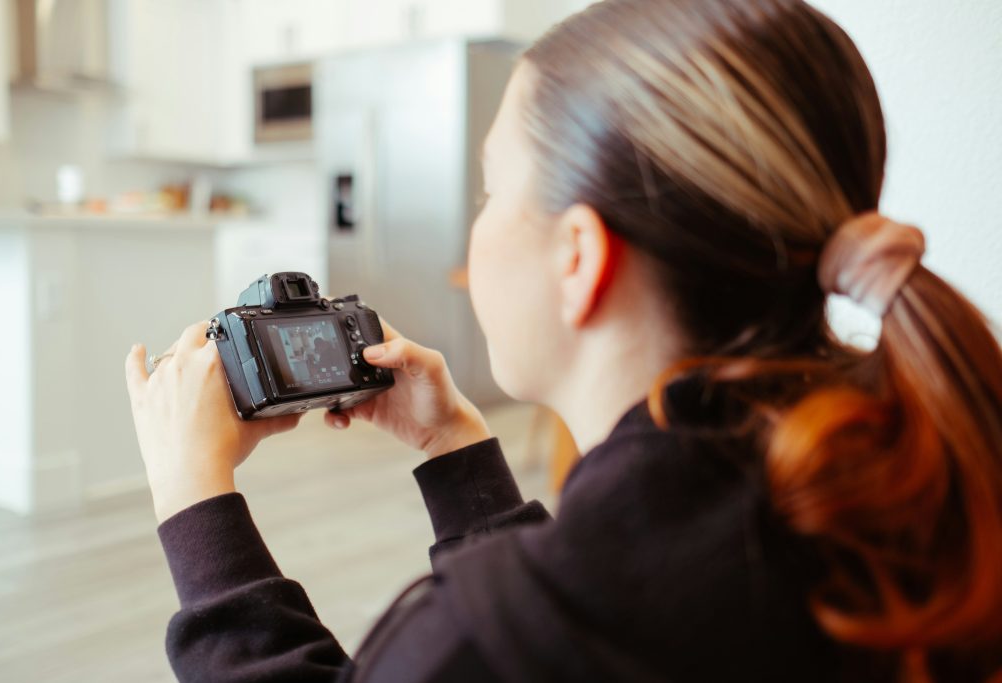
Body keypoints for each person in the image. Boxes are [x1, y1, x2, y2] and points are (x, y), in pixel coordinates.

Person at [123, 0, 1002, 680]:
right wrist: (455, 449)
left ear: (578, 256)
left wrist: (194, 499)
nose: (479, 224)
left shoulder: (487, 628)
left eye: (490, 192)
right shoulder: (878, 459)